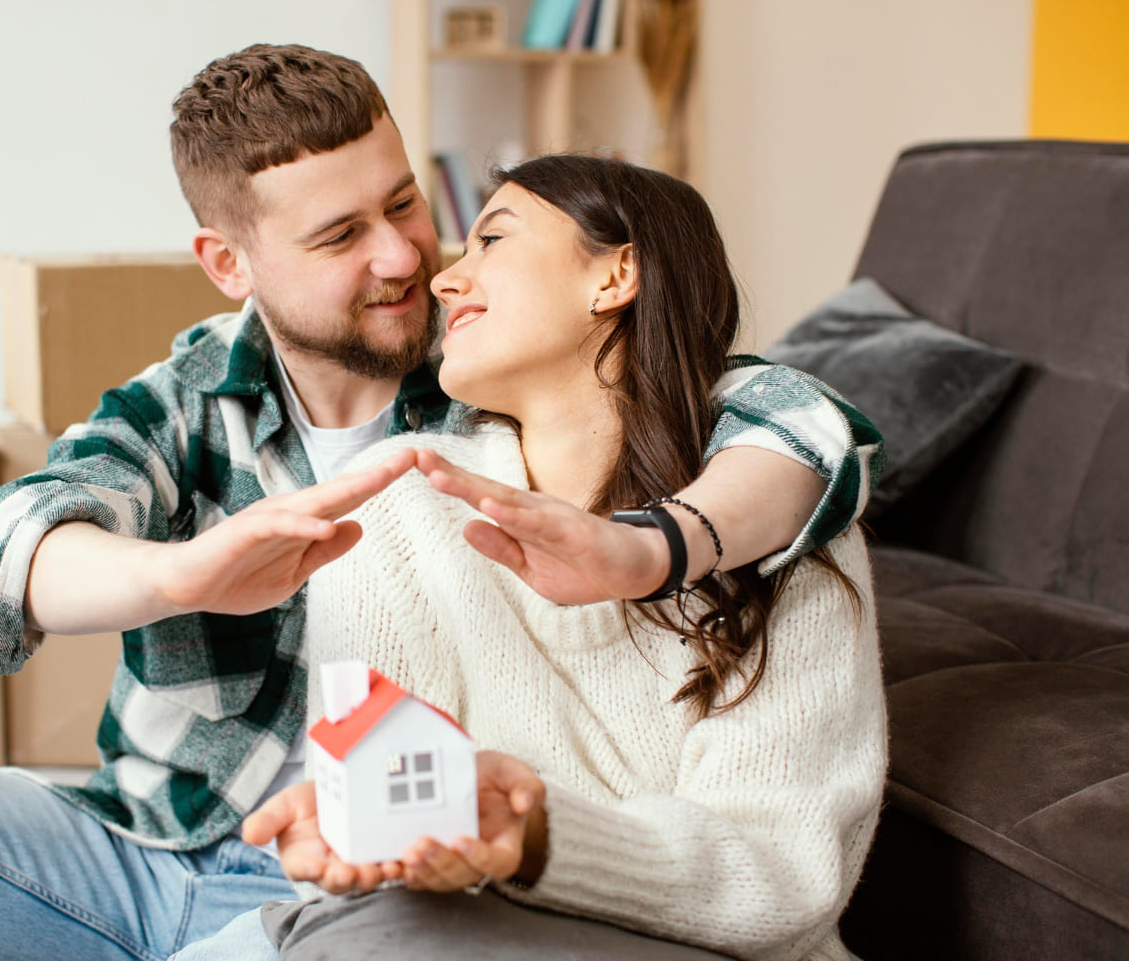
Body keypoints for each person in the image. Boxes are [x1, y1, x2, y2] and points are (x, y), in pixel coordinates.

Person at [0, 45, 880, 961]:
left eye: (409, 206)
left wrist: (651, 549)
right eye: (342, 236)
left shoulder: (507, 408)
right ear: (233, 264)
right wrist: (180, 574)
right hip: (146, 841)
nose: (410, 261)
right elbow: (13, 538)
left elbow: (807, 426)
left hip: (337, 889)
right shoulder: (192, 396)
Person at [241, 155, 887, 961]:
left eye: (493, 241)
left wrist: (542, 834)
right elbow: (372, 839)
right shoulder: (399, 510)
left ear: (617, 275)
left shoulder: (780, 520)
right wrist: (362, 846)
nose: (444, 280)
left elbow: (785, 879)